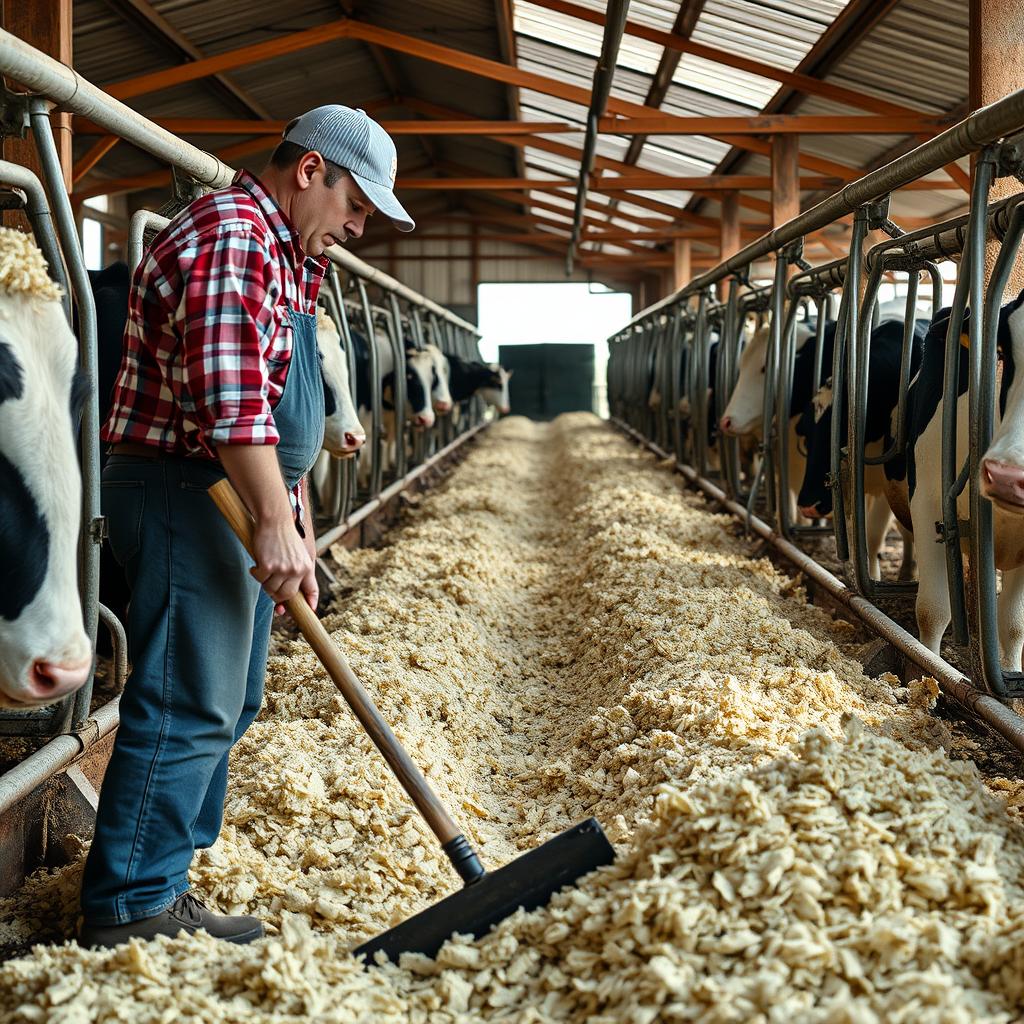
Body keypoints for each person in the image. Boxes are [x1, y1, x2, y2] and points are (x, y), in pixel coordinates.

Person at [79, 106, 414, 947]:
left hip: (241, 492)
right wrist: (270, 516)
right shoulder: (234, 234)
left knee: (233, 697)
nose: (357, 227)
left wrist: (293, 520)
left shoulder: (290, 253)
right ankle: (131, 905)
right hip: (189, 490)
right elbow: (231, 406)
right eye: (355, 205)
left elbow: (279, 411)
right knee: (189, 697)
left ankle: (166, 879)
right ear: (310, 170)